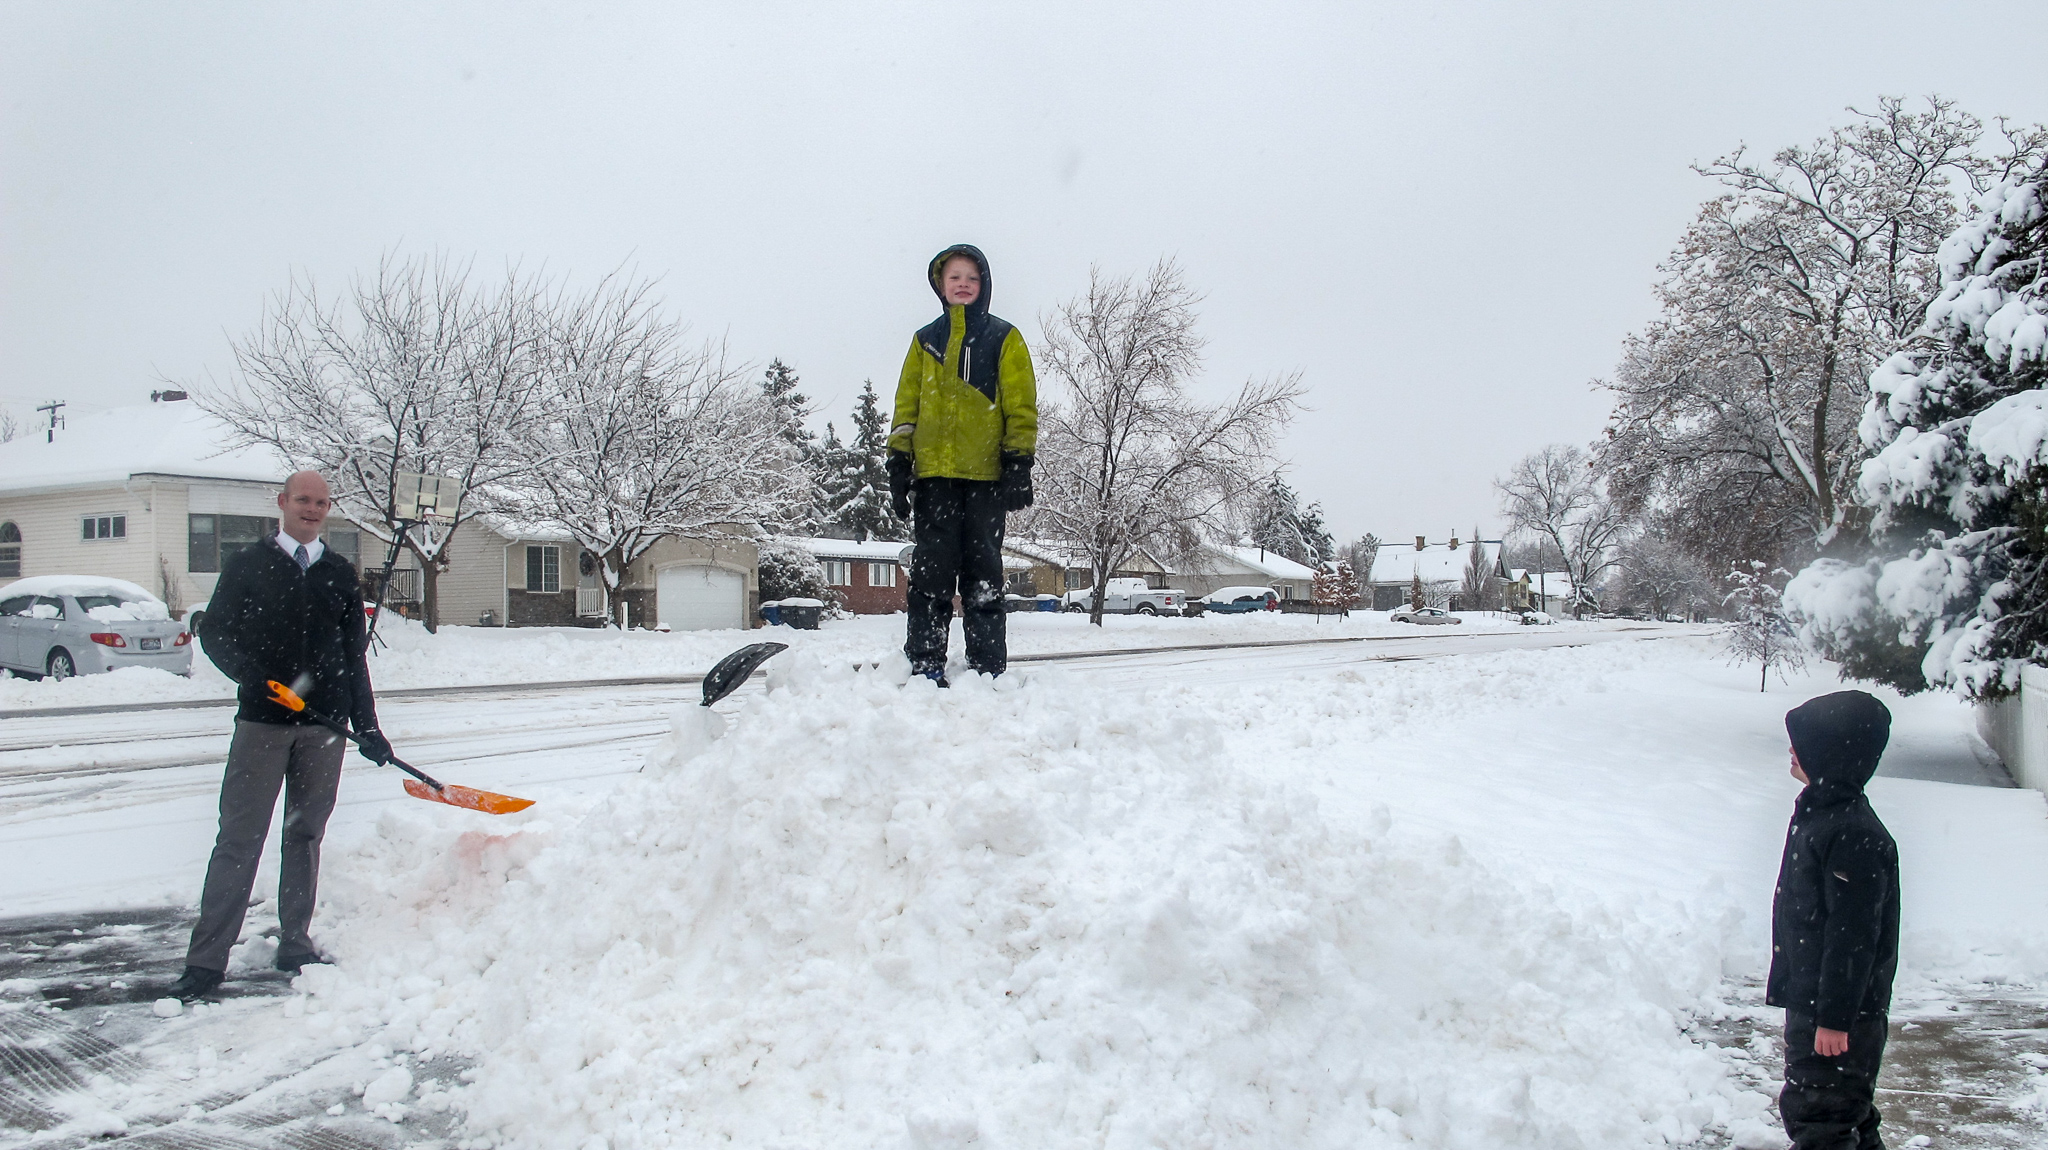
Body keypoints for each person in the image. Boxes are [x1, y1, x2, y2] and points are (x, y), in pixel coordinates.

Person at [167, 470, 391, 1000]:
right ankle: (206, 962)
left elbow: (353, 655)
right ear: (283, 502)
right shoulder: (248, 564)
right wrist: (254, 678)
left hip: (323, 727)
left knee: (305, 835)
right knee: (239, 839)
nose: (312, 510)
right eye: (303, 500)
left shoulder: (338, 572)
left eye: (321, 503)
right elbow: (215, 632)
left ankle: (295, 942)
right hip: (262, 725)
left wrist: (368, 726)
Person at [887, 244, 1038, 682]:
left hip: (985, 480)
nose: (963, 284)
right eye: (954, 277)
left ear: (983, 284)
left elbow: (1020, 406)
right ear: (941, 284)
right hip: (934, 480)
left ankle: (987, 669)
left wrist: (1018, 462)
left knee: (983, 578)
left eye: (971, 277)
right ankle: (925, 664)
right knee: (929, 577)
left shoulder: (1004, 338)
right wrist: (899, 462)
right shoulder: (925, 341)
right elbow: (906, 406)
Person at [1768, 690, 1901, 1150]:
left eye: (1803, 742)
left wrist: (1834, 1019)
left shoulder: (1851, 834)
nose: (1791, 750)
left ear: (1831, 755)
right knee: (1844, 1116)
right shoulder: (1823, 815)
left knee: (1822, 1119)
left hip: (1838, 1017)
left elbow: (1854, 938)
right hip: (1819, 1004)